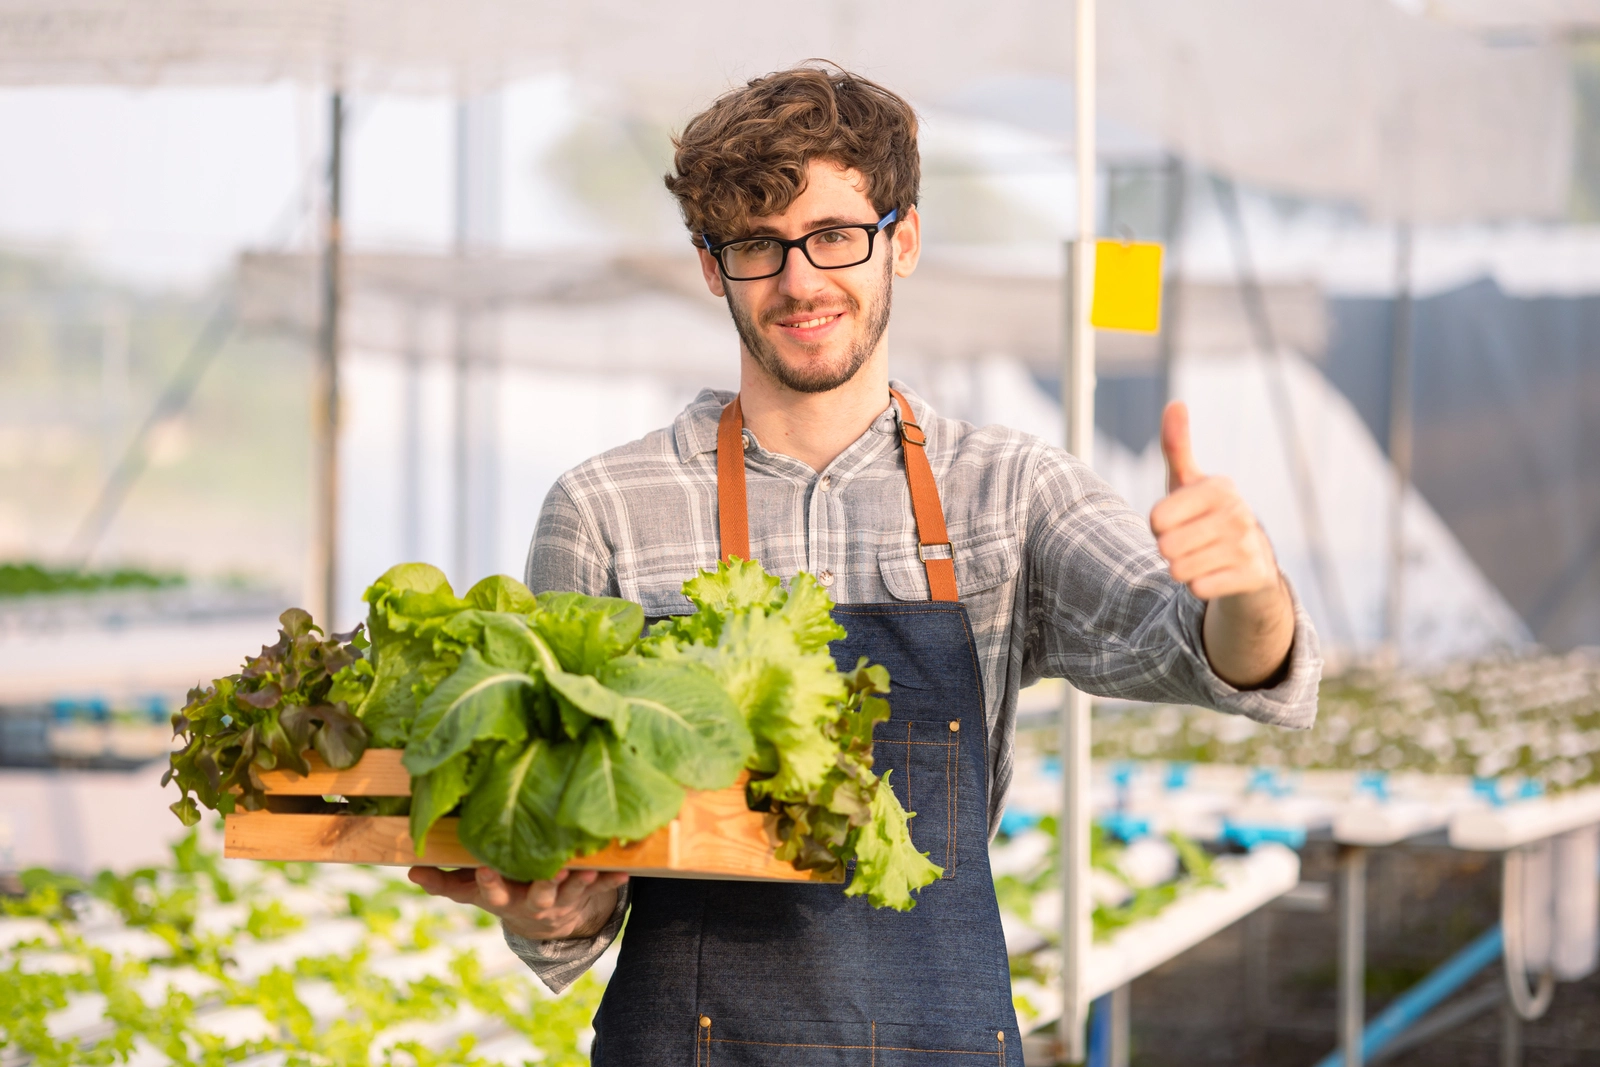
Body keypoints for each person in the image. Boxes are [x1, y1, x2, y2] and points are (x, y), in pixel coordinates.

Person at [410, 63, 1320, 1063]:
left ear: (905, 239)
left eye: (836, 235)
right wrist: (550, 905)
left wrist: (1248, 585)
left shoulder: (1006, 492)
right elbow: (573, 889)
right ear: (714, 267)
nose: (801, 279)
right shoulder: (607, 510)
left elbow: (1208, 650)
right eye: (759, 246)